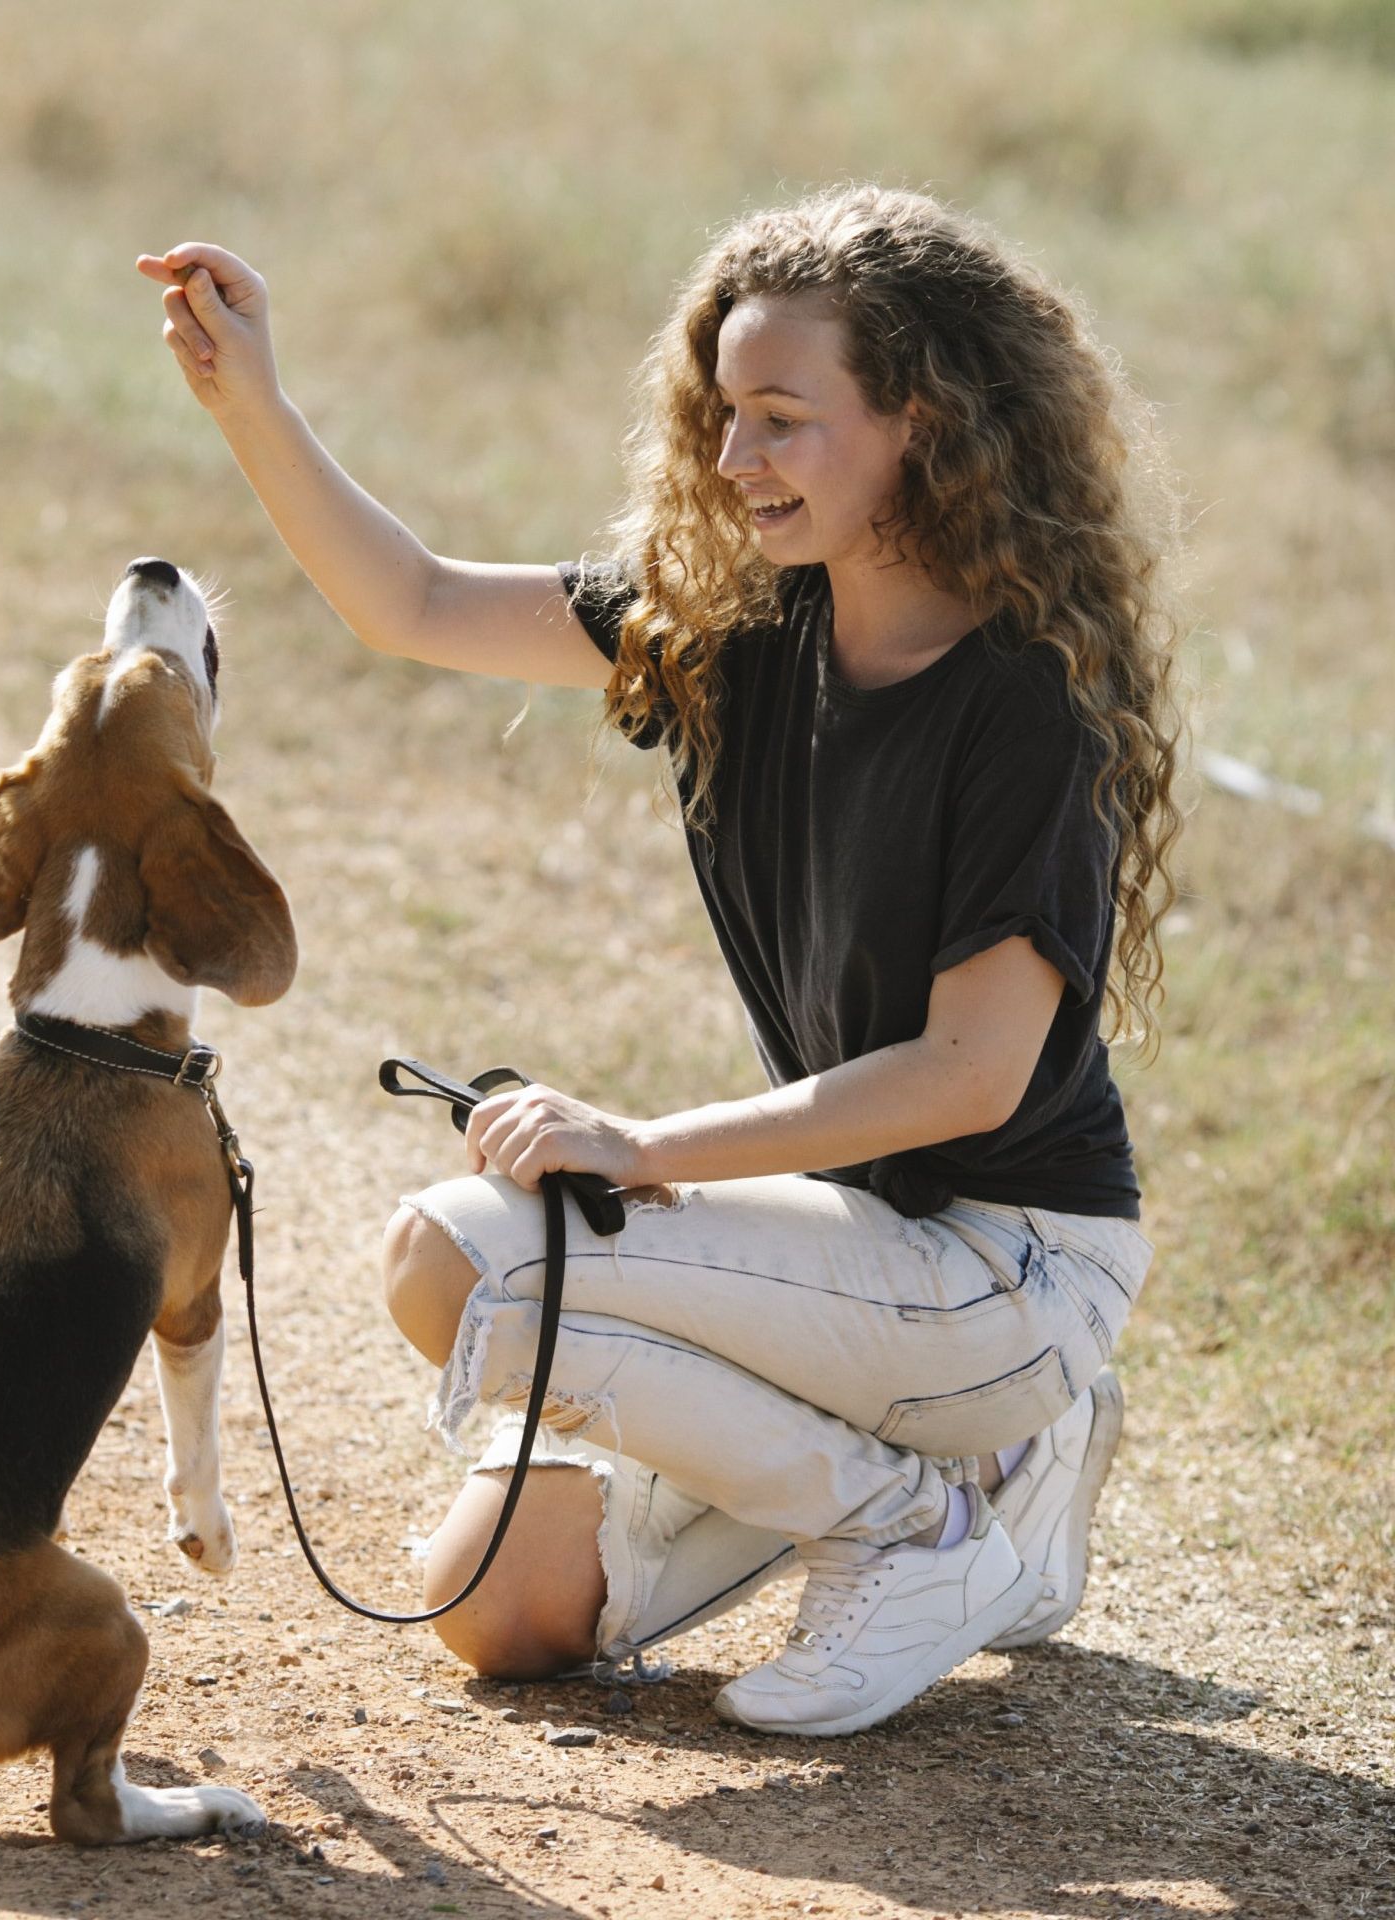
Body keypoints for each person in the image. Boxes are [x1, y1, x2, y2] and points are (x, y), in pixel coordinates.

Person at [137, 183, 1185, 1736]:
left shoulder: (1024, 703)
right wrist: (254, 402)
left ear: (921, 419)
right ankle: (983, 1497)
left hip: (1006, 1270)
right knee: (495, 1610)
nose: (733, 457)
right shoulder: (737, 629)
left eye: (781, 417)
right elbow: (412, 602)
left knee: (456, 1256)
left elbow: (971, 1076)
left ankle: (921, 1526)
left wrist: (640, 1151)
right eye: (722, 414)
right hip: (861, 1254)